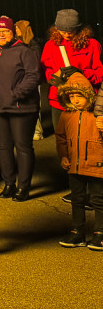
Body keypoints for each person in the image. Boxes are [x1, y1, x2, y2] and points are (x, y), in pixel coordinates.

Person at [0, 16, 40, 201]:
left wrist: (15, 94)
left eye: (5, 31)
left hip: (21, 108)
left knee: (22, 147)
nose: (1, 35)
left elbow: (33, 76)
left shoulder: (24, 51)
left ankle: (23, 187)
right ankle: (9, 183)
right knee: (3, 147)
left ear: (12, 32)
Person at [52, 70, 103, 250]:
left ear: (88, 94)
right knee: (77, 199)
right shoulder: (67, 115)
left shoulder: (97, 115)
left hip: (97, 165)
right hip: (75, 165)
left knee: (98, 199)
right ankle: (77, 232)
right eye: (71, 96)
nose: (75, 100)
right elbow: (61, 137)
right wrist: (64, 156)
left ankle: (100, 233)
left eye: (79, 95)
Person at [41, 9, 103, 131]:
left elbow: (100, 74)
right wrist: (54, 79)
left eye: (71, 30)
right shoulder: (51, 45)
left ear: (79, 28)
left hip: (85, 101)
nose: (67, 34)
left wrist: (82, 73)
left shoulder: (92, 45)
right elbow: (44, 70)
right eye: (62, 31)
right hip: (59, 101)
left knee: (85, 140)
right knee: (62, 141)